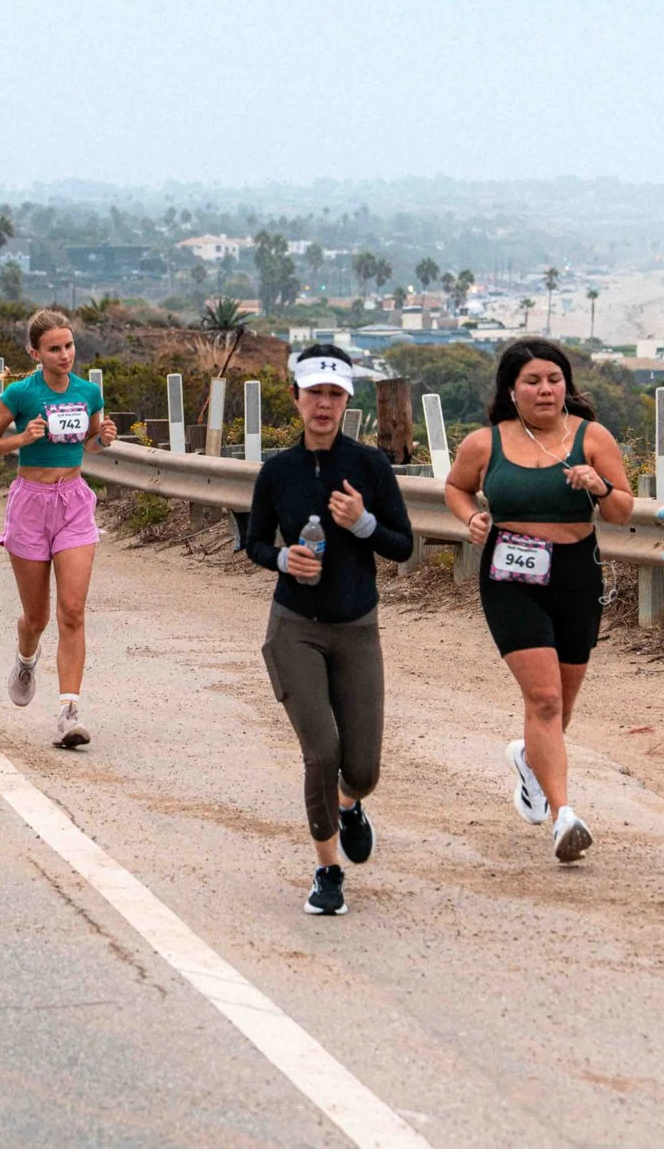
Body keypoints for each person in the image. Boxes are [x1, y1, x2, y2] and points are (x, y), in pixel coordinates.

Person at [441, 336, 634, 864]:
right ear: (512, 389)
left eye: (554, 379)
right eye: (533, 381)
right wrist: (472, 518)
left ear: (566, 385)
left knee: (561, 706)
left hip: (576, 575)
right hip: (510, 573)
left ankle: (529, 759)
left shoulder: (592, 438)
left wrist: (598, 486)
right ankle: (564, 816)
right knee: (544, 698)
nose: (546, 389)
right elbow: (455, 489)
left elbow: (620, 511)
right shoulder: (485, 443)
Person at [244, 345, 412, 917]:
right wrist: (283, 559)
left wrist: (363, 523)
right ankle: (327, 869)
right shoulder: (278, 471)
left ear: (347, 403)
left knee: (361, 768)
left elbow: (404, 545)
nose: (323, 404)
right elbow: (255, 543)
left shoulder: (370, 467)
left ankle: (349, 804)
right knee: (322, 751)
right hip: (294, 629)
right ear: (295, 398)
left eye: (334, 395)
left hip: (357, 629)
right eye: (314, 393)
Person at [0, 310, 117, 749]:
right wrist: (23, 439)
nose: (64, 355)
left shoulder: (88, 392)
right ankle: (25, 657)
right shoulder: (21, 394)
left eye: (69, 346)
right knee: (36, 616)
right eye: (54, 348)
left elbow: (89, 443)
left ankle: (68, 712)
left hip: (73, 502)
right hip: (30, 505)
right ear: (34, 352)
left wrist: (104, 439)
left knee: (72, 611)